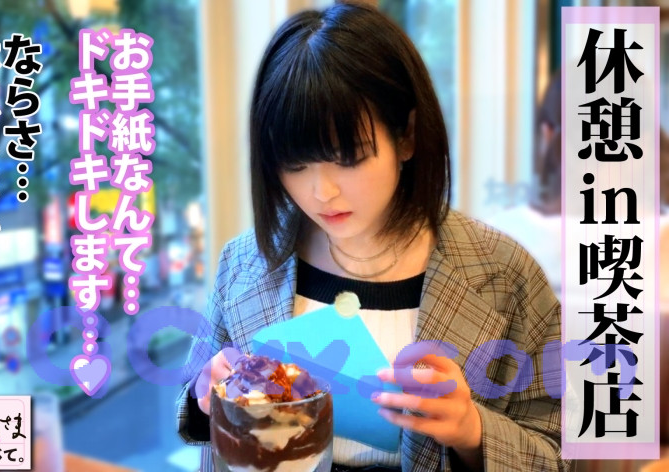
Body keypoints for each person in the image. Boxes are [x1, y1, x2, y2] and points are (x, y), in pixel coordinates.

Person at [176, 3, 567, 471]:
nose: (322, 192)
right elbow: (195, 400)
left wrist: (472, 430)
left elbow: (556, 452)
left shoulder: (503, 274)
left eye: (349, 158)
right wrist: (207, 392)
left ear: (407, 136)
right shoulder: (245, 263)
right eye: (295, 164)